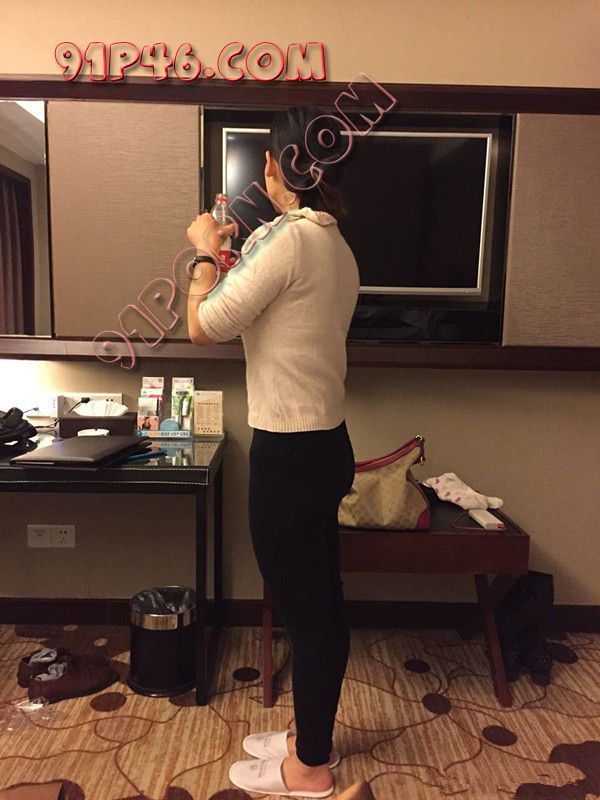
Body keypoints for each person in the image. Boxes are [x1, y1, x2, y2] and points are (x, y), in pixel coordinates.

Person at [187, 106, 359, 798]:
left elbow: (205, 325)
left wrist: (203, 251)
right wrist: (232, 257)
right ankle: (309, 739)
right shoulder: (332, 243)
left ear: (276, 165)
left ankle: (310, 768)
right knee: (322, 607)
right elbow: (269, 311)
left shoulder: (288, 241)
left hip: (289, 456)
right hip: (325, 446)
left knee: (309, 617)